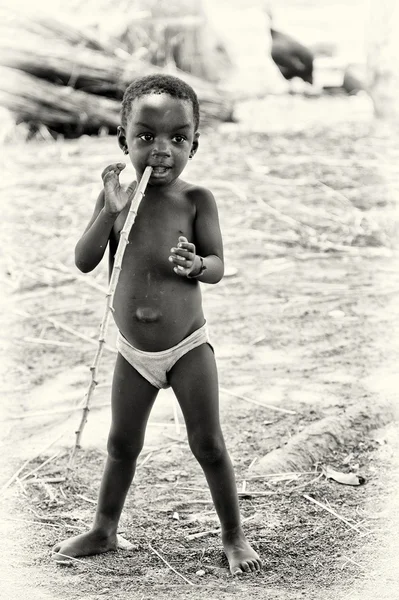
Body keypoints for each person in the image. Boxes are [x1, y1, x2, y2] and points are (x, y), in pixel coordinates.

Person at [53, 74, 261, 576]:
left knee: (207, 443)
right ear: (123, 140)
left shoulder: (196, 201)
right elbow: (84, 260)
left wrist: (197, 266)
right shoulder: (115, 198)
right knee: (122, 444)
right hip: (133, 353)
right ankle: (105, 529)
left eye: (178, 138)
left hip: (188, 347)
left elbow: (217, 267)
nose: (161, 150)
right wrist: (108, 212)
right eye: (145, 137)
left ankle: (233, 534)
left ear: (195, 143)